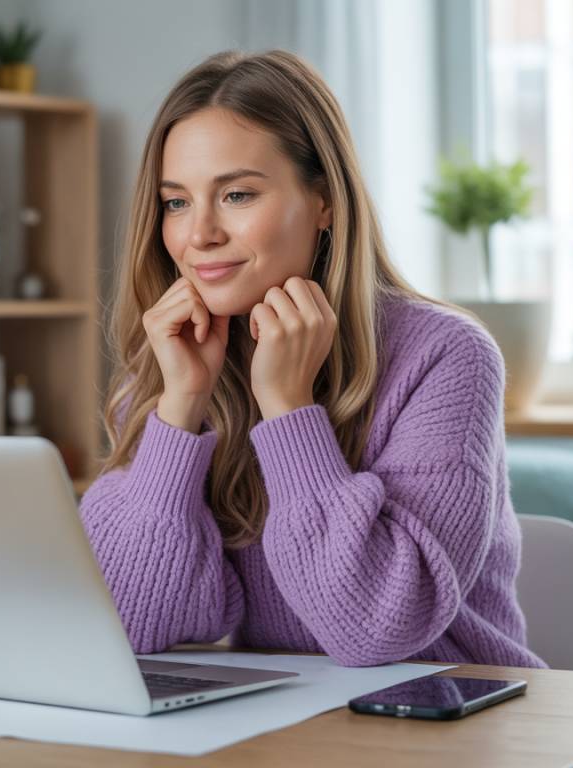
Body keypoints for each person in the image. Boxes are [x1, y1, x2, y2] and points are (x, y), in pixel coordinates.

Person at [79, 49, 548, 669]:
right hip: (286, 726)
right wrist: (181, 403)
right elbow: (130, 623)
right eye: (176, 202)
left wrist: (288, 407)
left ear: (323, 201)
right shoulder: (175, 365)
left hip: (447, 715)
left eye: (238, 194)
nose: (199, 236)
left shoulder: (447, 357)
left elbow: (379, 629)